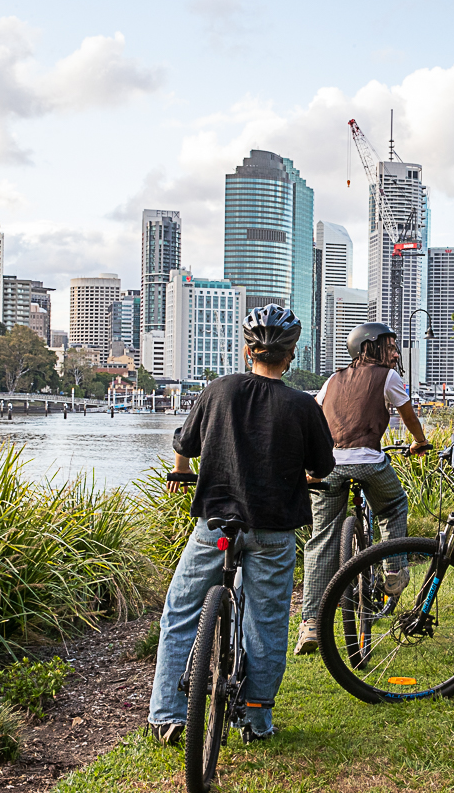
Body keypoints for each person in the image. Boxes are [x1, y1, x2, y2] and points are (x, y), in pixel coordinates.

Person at [148, 304, 335, 745]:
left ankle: (167, 715)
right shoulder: (302, 405)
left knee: (181, 610)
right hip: (273, 530)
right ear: (291, 354)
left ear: (248, 350)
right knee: (266, 620)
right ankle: (255, 719)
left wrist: (180, 471)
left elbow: (185, 443)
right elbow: (322, 467)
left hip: (216, 528)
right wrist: (304, 476)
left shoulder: (218, 390)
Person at [294, 322, 432, 654]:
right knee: (393, 505)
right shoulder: (387, 377)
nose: (395, 354)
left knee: (322, 539)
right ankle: (393, 570)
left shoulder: (332, 380)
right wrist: (420, 441)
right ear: (369, 347)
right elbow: (409, 416)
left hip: (329, 465)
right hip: (368, 461)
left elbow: (315, 416)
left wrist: (312, 459)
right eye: (390, 347)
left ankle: (310, 623)